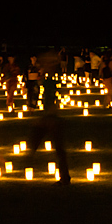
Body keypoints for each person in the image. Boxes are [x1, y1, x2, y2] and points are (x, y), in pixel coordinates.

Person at [24, 50, 70, 185]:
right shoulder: (47, 79)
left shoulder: (50, 81)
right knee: (57, 147)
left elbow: (53, 99)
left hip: (52, 118)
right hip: (49, 116)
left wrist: (49, 115)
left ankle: (64, 177)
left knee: (57, 147)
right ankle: (64, 176)